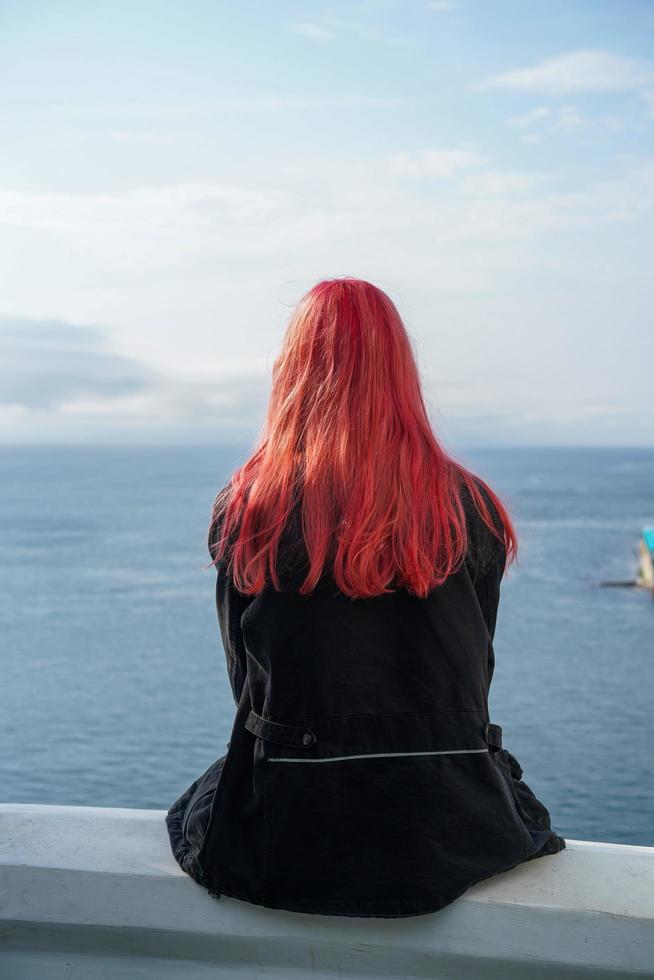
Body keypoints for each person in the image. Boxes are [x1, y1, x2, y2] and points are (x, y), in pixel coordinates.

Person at [165, 277, 566, 918]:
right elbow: (474, 675)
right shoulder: (474, 506)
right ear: (401, 371)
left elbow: (249, 688)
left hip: (296, 819)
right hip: (448, 817)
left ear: (294, 370)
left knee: (196, 808)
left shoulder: (249, 508)